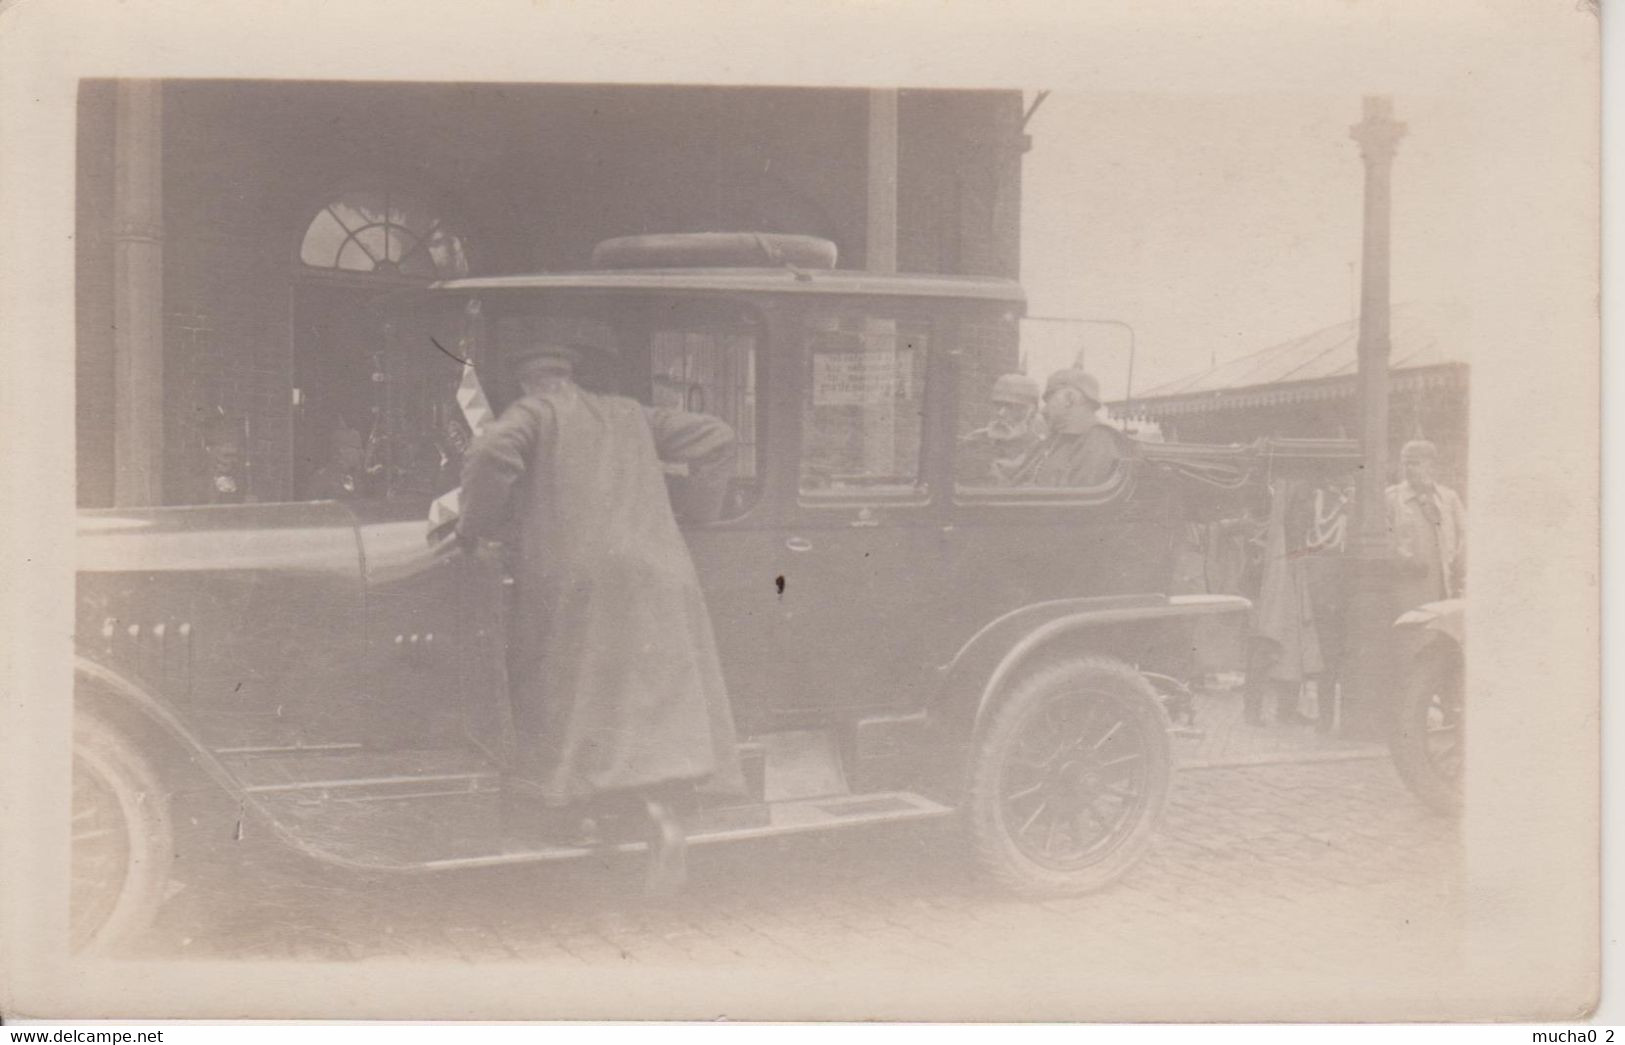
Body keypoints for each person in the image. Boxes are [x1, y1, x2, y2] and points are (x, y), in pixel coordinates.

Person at [456, 341, 743, 895]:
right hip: (660, 570)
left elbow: (492, 453)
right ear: (570, 373)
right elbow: (718, 437)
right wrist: (697, 511)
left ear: (525, 381)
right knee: (647, 698)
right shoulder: (629, 412)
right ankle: (659, 812)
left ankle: (582, 812)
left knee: (575, 691)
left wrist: (475, 525)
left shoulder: (535, 412)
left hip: (581, 578)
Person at [1008, 369, 1125, 487]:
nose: (1044, 410)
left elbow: (1078, 500)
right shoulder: (1056, 439)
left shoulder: (1099, 440)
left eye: (1049, 401)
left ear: (1070, 398)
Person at [1386, 439, 1466, 609]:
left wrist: (1458, 562)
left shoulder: (1448, 498)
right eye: (1405, 464)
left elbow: (1465, 534)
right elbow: (1386, 538)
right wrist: (1405, 559)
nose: (1408, 469)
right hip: (1408, 583)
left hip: (1445, 583)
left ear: (1431, 466)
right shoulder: (1392, 498)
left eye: (1415, 463)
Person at [957, 372, 1042, 485]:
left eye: (1011, 407)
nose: (1000, 413)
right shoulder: (972, 443)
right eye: (997, 405)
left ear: (1031, 412)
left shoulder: (1040, 451)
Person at [198, 414, 250, 505]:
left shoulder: (243, 480)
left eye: (235, 456)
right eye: (227, 456)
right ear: (209, 449)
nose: (232, 461)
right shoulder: (199, 482)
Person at [305, 423, 366, 500]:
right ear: (341, 451)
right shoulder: (321, 479)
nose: (361, 453)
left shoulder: (359, 478)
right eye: (357, 448)